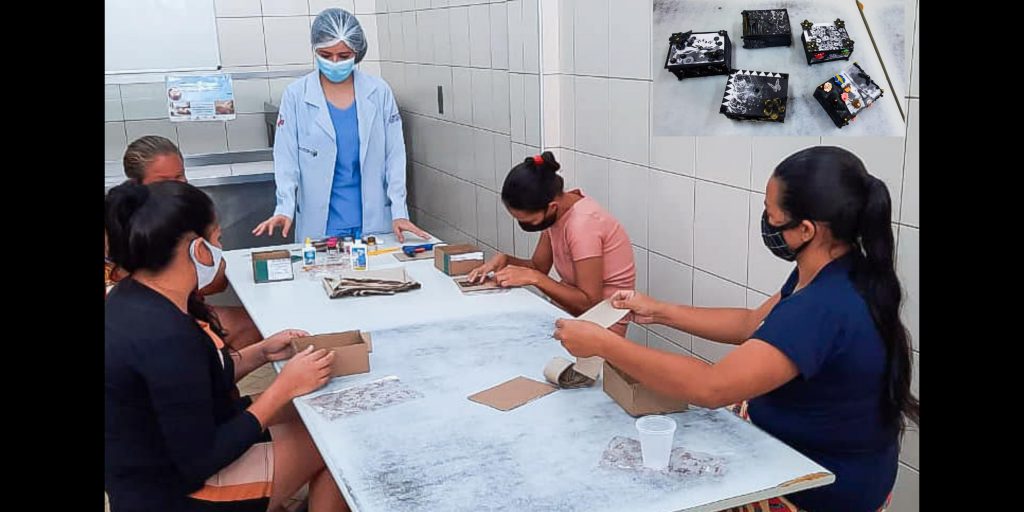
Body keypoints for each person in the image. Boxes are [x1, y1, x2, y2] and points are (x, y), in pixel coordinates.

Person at [552, 146, 919, 512]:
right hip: (809, 452)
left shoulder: (822, 307)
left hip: (818, 488)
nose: (766, 221)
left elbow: (711, 387)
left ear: (806, 230)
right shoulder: (835, 268)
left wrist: (604, 344)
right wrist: (660, 311)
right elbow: (750, 323)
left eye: (771, 214)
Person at [105, 180, 349, 512]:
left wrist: (262, 352)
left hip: (171, 455)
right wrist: (284, 387)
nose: (221, 248)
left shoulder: (136, 297)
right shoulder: (163, 335)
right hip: (173, 492)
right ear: (198, 249)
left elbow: (191, 384)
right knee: (339, 440)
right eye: (218, 239)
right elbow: (200, 459)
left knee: (322, 407)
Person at [252, 8, 428, 243]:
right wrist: (284, 207)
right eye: (326, 54)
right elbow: (286, 159)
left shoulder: (378, 92)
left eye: (343, 56)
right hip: (320, 224)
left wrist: (399, 211)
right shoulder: (296, 95)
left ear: (357, 52)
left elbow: (394, 156)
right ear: (315, 49)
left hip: (374, 221)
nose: (334, 62)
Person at [106, 135, 262, 350]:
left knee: (255, 324)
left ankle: (224, 368)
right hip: (145, 322)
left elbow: (217, 281)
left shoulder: (188, 210)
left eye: (180, 176)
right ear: (136, 184)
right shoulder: (120, 227)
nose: (176, 186)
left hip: (185, 308)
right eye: (164, 181)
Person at [468, 152, 635, 334]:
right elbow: (538, 267)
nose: (525, 225)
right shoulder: (559, 210)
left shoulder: (583, 226)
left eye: (530, 221)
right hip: (570, 311)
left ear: (551, 207)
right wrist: (505, 260)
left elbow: (589, 303)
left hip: (603, 321)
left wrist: (535, 278)